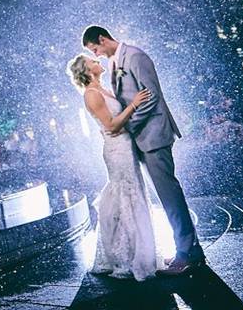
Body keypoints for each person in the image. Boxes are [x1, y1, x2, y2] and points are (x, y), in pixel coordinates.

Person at [82, 25, 205, 275]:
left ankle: (187, 254)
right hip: (140, 140)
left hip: (153, 136)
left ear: (103, 39)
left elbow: (150, 97)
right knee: (165, 196)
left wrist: (128, 128)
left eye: (95, 48)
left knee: (170, 196)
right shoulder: (117, 63)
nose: (97, 54)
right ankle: (191, 250)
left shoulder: (135, 57)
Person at [67, 54, 156, 280]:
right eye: (93, 62)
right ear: (87, 71)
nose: (98, 62)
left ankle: (139, 250)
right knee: (125, 196)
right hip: (117, 150)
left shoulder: (105, 89)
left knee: (134, 194)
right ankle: (125, 256)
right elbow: (112, 126)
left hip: (127, 147)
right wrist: (134, 104)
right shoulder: (92, 95)